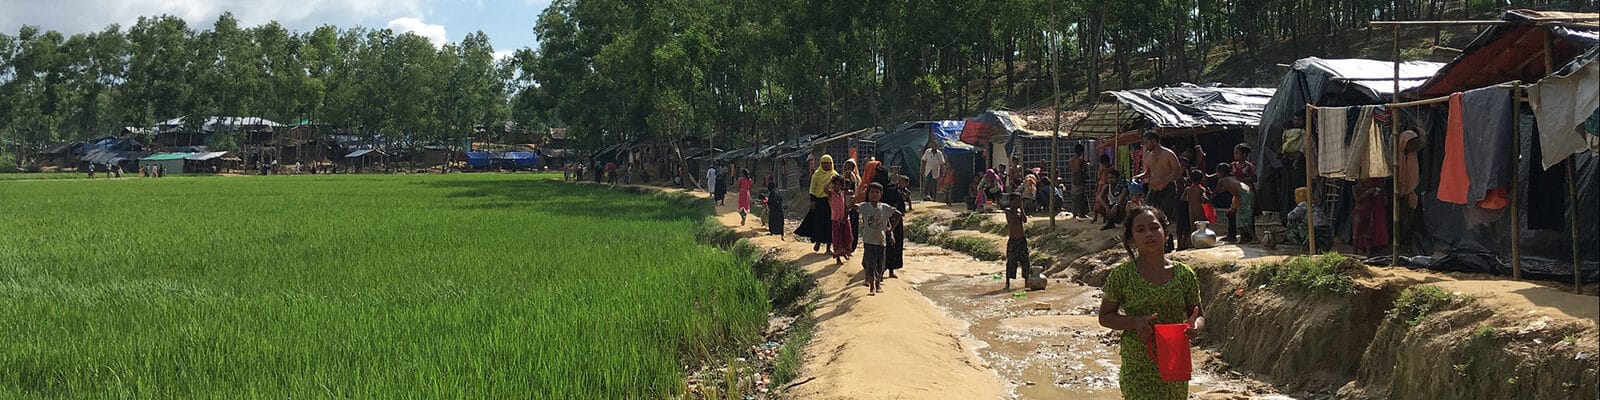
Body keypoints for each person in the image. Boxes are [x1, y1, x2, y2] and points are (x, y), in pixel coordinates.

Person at [1097, 206, 1204, 400]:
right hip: (1138, 364)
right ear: (1132, 239)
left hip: (1175, 361)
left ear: (1165, 231)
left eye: (1154, 227)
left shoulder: (1184, 274)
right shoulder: (1122, 276)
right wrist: (1134, 322)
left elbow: (1198, 314)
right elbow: (1105, 317)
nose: (1149, 234)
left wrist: (1194, 327)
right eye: (1140, 230)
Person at [855, 182, 901, 295]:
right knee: (870, 264)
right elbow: (851, 207)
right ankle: (872, 287)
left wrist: (890, 230)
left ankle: (878, 284)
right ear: (868, 194)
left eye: (877, 192)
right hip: (868, 241)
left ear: (881, 194)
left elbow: (899, 215)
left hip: (881, 241)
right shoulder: (865, 206)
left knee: (880, 265)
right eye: (872, 192)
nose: (874, 194)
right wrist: (858, 195)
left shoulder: (885, 208)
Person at [1136, 131, 1182, 233]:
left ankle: (1167, 243)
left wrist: (1164, 179)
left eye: (1146, 142)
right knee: (1147, 214)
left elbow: (1178, 173)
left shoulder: (1168, 154)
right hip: (1153, 189)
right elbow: (1148, 172)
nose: (1144, 145)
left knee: (1164, 218)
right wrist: (1139, 176)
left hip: (1167, 188)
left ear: (1154, 141)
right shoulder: (1148, 155)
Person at [796, 155, 839, 252]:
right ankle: (818, 242)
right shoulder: (816, 174)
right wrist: (812, 200)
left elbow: (838, 187)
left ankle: (828, 248)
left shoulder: (834, 175)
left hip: (831, 202)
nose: (826, 165)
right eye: (823, 163)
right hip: (819, 201)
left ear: (831, 164)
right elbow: (813, 188)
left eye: (828, 163)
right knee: (819, 223)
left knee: (829, 224)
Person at [873, 164, 909, 279]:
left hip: (886, 221)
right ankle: (888, 271)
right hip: (890, 221)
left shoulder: (875, 189)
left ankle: (882, 271)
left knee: (883, 246)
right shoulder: (888, 189)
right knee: (889, 246)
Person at [1211, 164, 1256, 243]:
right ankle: (1243, 238)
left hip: (1244, 196)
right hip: (1247, 193)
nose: (1217, 175)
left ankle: (1254, 238)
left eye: (1217, 173)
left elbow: (1215, 193)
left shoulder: (1222, 180)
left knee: (1243, 219)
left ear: (1222, 173)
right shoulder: (1232, 178)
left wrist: (1206, 197)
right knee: (1239, 216)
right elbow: (1222, 190)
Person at [1178, 170, 1212, 250]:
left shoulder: (1187, 189)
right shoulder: (1201, 189)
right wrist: (1209, 197)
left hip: (1191, 210)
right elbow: (1204, 199)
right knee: (1203, 226)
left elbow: (1182, 199)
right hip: (1200, 209)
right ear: (1201, 179)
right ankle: (1203, 241)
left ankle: (1192, 243)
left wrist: (1189, 199)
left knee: (1193, 227)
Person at [1003, 194, 1029, 291]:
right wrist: (1015, 209)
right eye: (1017, 201)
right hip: (1013, 240)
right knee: (1011, 261)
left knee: (1025, 260)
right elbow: (1012, 220)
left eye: (1020, 201)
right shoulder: (1008, 211)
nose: (1019, 203)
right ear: (1012, 201)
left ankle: (1026, 280)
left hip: (1022, 240)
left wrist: (1021, 209)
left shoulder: (1019, 211)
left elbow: (1025, 220)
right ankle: (1007, 282)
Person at [828, 176, 854, 264]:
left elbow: (847, 205)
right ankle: (838, 258)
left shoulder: (843, 193)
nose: (837, 187)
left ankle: (846, 252)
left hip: (845, 218)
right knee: (837, 239)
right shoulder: (831, 193)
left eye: (839, 185)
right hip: (835, 219)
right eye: (836, 184)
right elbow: (824, 188)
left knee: (848, 237)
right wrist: (830, 181)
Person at [1069, 145, 1090, 216]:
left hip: (1074, 177)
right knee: (1081, 196)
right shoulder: (1081, 160)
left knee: (1074, 196)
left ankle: (1075, 212)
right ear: (1081, 152)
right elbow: (1085, 169)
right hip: (1080, 177)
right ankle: (1082, 213)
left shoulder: (1071, 160)